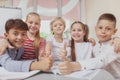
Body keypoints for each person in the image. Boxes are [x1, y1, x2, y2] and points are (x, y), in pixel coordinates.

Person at [58, 13, 120, 80]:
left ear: (114, 31)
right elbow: (84, 55)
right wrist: (65, 55)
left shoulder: (115, 44)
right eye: (100, 28)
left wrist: (74, 66)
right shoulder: (94, 45)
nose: (103, 31)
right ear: (96, 29)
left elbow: (101, 61)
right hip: (102, 76)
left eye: (108, 29)